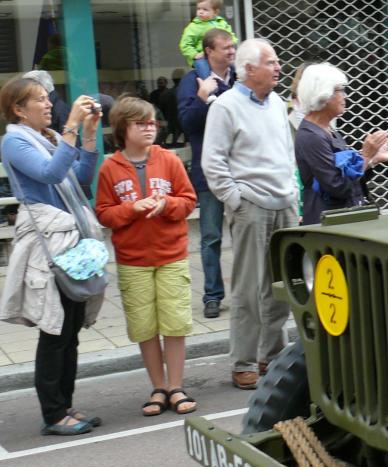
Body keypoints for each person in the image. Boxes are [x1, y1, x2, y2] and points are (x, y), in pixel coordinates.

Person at [0, 78, 104, 435]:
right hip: (47, 242)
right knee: (55, 328)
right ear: (18, 109)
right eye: (40, 100)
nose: (48, 105)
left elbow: (80, 179)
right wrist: (71, 127)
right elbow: (50, 173)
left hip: (69, 239)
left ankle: (66, 406)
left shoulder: (49, 138)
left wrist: (88, 135)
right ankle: (53, 413)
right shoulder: (14, 140)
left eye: (49, 99)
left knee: (72, 326)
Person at [202, 38, 298, 390]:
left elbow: (287, 153)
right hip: (251, 207)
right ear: (248, 70)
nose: (278, 68)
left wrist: (294, 194)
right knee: (247, 288)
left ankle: (270, 356)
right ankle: (242, 361)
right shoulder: (225, 106)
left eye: (276, 62)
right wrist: (235, 200)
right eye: (271, 63)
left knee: (278, 286)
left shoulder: (276, 103)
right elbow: (212, 162)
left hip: (283, 204)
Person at [94, 96, 198, 417]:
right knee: (144, 327)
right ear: (124, 128)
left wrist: (167, 205)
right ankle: (159, 387)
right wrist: (130, 208)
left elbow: (189, 200)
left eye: (152, 122)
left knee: (175, 323)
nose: (150, 128)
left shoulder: (169, 160)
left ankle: (177, 386)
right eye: (142, 123)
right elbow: (103, 213)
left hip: (171, 255)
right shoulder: (109, 168)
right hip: (132, 261)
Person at [293, 63, 388, 225]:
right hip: (328, 224)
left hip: (343, 217)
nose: (345, 96)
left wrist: (374, 158)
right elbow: (338, 185)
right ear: (324, 94)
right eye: (340, 90)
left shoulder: (326, 128)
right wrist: (367, 154)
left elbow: (346, 172)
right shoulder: (311, 136)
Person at [177, 27, 236, 320]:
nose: (231, 51)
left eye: (232, 46)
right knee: (211, 236)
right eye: (225, 47)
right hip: (210, 171)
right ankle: (212, 295)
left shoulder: (240, 78)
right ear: (209, 51)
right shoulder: (192, 81)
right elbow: (187, 123)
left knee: (245, 234)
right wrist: (202, 97)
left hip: (241, 170)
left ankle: (247, 291)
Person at [180, 0, 238, 79]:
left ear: (215, 12)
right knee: (204, 71)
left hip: (221, 55)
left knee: (235, 66)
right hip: (203, 58)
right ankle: (209, 87)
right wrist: (195, 54)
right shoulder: (194, 27)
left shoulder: (222, 23)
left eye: (205, 9)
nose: (200, 12)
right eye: (198, 9)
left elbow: (231, 36)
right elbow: (184, 44)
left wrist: (231, 43)